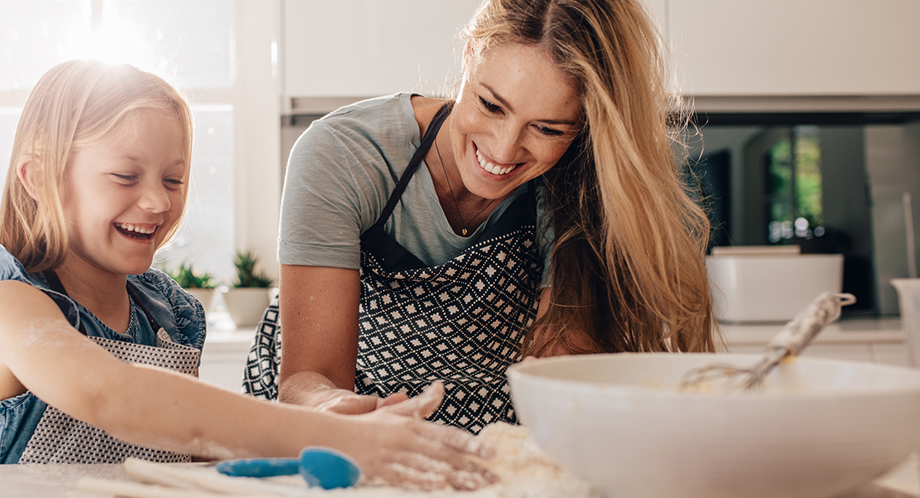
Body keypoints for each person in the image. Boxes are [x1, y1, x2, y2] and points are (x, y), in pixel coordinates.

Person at [0, 59, 497, 490]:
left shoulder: (167, 317)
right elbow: (109, 395)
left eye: (175, 179)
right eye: (125, 175)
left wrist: (321, 432)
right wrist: (336, 435)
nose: (157, 201)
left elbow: (184, 447)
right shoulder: (9, 304)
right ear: (38, 177)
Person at [244, 0, 716, 433]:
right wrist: (334, 411)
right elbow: (312, 376)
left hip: (487, 434)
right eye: (491, 105)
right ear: (470, 54)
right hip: (316, 426)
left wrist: (568, 392)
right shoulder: (345, 154)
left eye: (547, 128)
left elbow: (564, 361)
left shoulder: (579, 186)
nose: (503, 148)